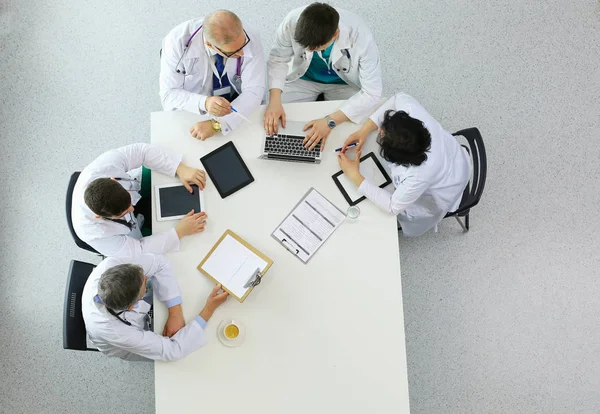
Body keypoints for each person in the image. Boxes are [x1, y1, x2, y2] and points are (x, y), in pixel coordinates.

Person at [337, 93, 471, 237]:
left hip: (448, 186)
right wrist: (364, 130)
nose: (379, 129)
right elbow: (397, 98)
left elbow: (392, 206)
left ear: (398, 158)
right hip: (454, 156)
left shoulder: (420, 175)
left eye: (382, 134)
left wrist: (355, 176)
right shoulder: (414, 116)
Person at [264, 3, 382, 151]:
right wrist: (275, 101)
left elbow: (373, 92)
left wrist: (330, 122)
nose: (308, 51)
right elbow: (278, 59)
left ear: (335, 34)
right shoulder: (292, 22)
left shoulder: (361, 37)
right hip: (302, 78)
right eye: (305, 47)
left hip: (343, 83)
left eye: (315, 48)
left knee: (347, 135)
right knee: (276, 122)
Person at [82, 253, 229, 361]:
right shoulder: (117, 332)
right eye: (143, 284)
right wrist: (209, 309)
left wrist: (175, 311)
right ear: (133, 306)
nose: (146, 277)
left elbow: (158, 263)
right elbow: (172, 351)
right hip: (122, 346)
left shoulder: (111, 265)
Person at [72, 143, 208, 257]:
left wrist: (179, 168)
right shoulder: (94, 233)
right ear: (99, 216)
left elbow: (142, 152)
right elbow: (138, 251)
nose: (132, 209)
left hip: (136, 187)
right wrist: (179, 232)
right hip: (132, 233)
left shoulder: (103, 167)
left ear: (113, 180)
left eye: (129, 204)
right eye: (125, 212)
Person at [160, 10, 266, 141]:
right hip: (195, 112)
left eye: (243, 45)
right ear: (210, 45)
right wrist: (204, 102)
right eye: (234, 52)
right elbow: (169, 94)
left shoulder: (250, 35)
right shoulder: (177, 42)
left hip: (238, 109)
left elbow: (254, 91)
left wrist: (217, 124)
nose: (243, 53)